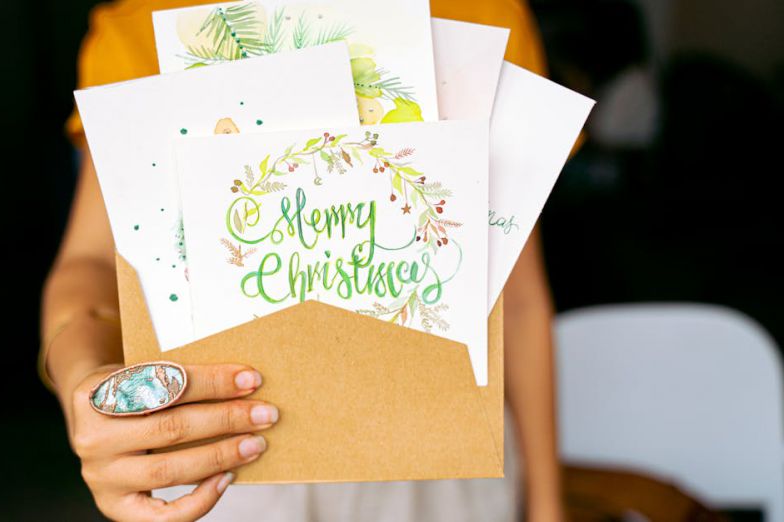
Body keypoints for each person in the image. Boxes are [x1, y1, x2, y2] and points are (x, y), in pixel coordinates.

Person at [41, 1, 563, 520]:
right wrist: (87, 388)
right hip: (223, 461)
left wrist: (546, 505)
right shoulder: (149, 23)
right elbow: (89, 264)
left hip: (440, 462)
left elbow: (516, 302)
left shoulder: (481, 12)